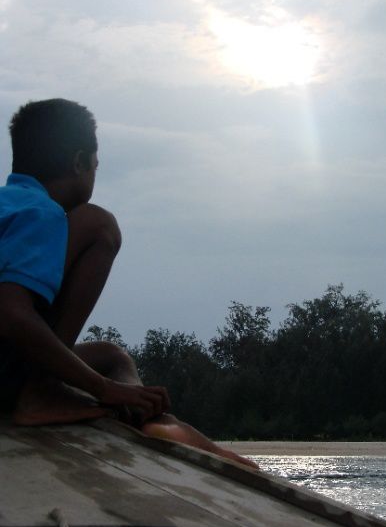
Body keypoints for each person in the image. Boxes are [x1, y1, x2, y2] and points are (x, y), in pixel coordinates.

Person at [0, 98, 256, 469]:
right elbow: (10, 313)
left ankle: (148, 414)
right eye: (95, 166)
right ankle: (43, 390)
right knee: (99, 224)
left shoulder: (9, 205)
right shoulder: (42, 213)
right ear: (78, 163)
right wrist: (102, 388)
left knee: (111, 356)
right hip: (8, 376)